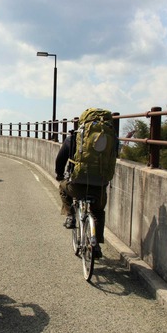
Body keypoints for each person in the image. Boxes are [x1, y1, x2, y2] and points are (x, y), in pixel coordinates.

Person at [55, 108, 118, 257]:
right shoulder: (112, 139)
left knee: (63, 187)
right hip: (100, 187)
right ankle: (96, 245)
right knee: (98, 212)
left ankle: (70, 215)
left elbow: (60, 160)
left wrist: (59, 175)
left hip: (77, 185)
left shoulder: (74, 138)